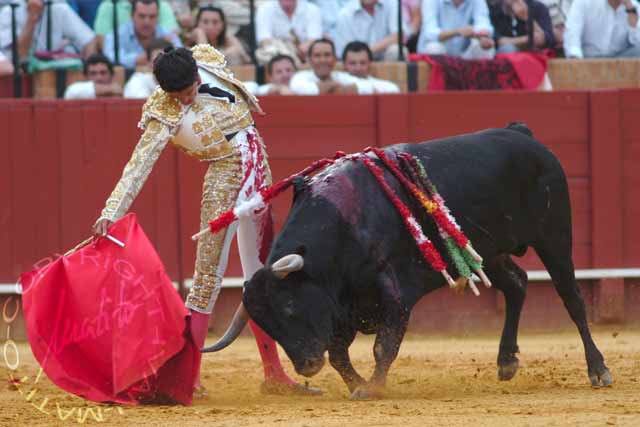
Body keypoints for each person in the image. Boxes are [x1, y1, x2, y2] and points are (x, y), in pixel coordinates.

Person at [92, 44, 321, 397]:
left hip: (258, 172)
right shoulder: (162, 112)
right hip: (223, 183)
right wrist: (111, 212)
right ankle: (190, 379)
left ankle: (274, 374)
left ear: (197, 76)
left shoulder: (208, 60)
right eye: (177, 96)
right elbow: (138, 166)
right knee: (206, 281)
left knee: (261, 274)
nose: (184, 101)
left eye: (187, 92)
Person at [0, 0, 97, 63]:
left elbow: (89, 41)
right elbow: (20, 53)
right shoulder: (9, 11)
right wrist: (32, 19)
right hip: (21, 75)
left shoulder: (58, 7)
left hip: (54, 73)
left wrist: (88, 73)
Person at [103, 0, 182, 70]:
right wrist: (136, 59)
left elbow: (182, 57)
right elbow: (109, 57)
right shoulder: (117, 34)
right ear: (132, 16)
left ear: (158, 17)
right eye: (142, 16)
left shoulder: (167, 35)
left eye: (152, 17)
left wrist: (171, 51)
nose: (147, 22)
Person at [289, 38, 377, 94]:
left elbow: (368, 87)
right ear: (310, 60)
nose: (322, 60)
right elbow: (303, 90)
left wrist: (328, 88)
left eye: (327, 55)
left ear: (335, 59)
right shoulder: (300, 76)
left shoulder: (341, 76)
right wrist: (334, 85)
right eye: (317, 56)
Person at [417, 0, 496, 59]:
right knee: (434, 48)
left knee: (486, 49)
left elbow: (484, 24)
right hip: (437, 52)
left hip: (464, 54)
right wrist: (457, 32)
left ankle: (479, 81)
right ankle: (436, 80)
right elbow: (430, 33)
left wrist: (483, 37)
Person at [563, 0, 640, 58]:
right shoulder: (584, 2)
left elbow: (636, 43)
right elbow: (572, 36)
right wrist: (576, 60)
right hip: (588, 59)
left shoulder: (634, 7)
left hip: (620, 60)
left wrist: (632, 17)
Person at [334, 0, 405, 61]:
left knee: (397, 50)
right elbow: (343, 53)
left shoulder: (391, 2)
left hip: (385, 61)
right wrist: (363, 55)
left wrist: (368, 51)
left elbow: (400, 36)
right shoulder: (345, 14)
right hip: (356, 64)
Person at [255, 0, 323, 64]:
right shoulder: (264, 9)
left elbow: (315, 40)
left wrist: (304, 49)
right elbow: (264, 41)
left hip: (307, 60)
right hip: (277, 61)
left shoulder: (312, 9)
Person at [490, 0, 555, 52]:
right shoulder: (495, 10)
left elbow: (541, 41)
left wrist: (526, 16)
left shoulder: (538, 7)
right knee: (508, 49)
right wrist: (528, 39)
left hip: (534, 57)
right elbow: (499, 42)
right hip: (507, 58)